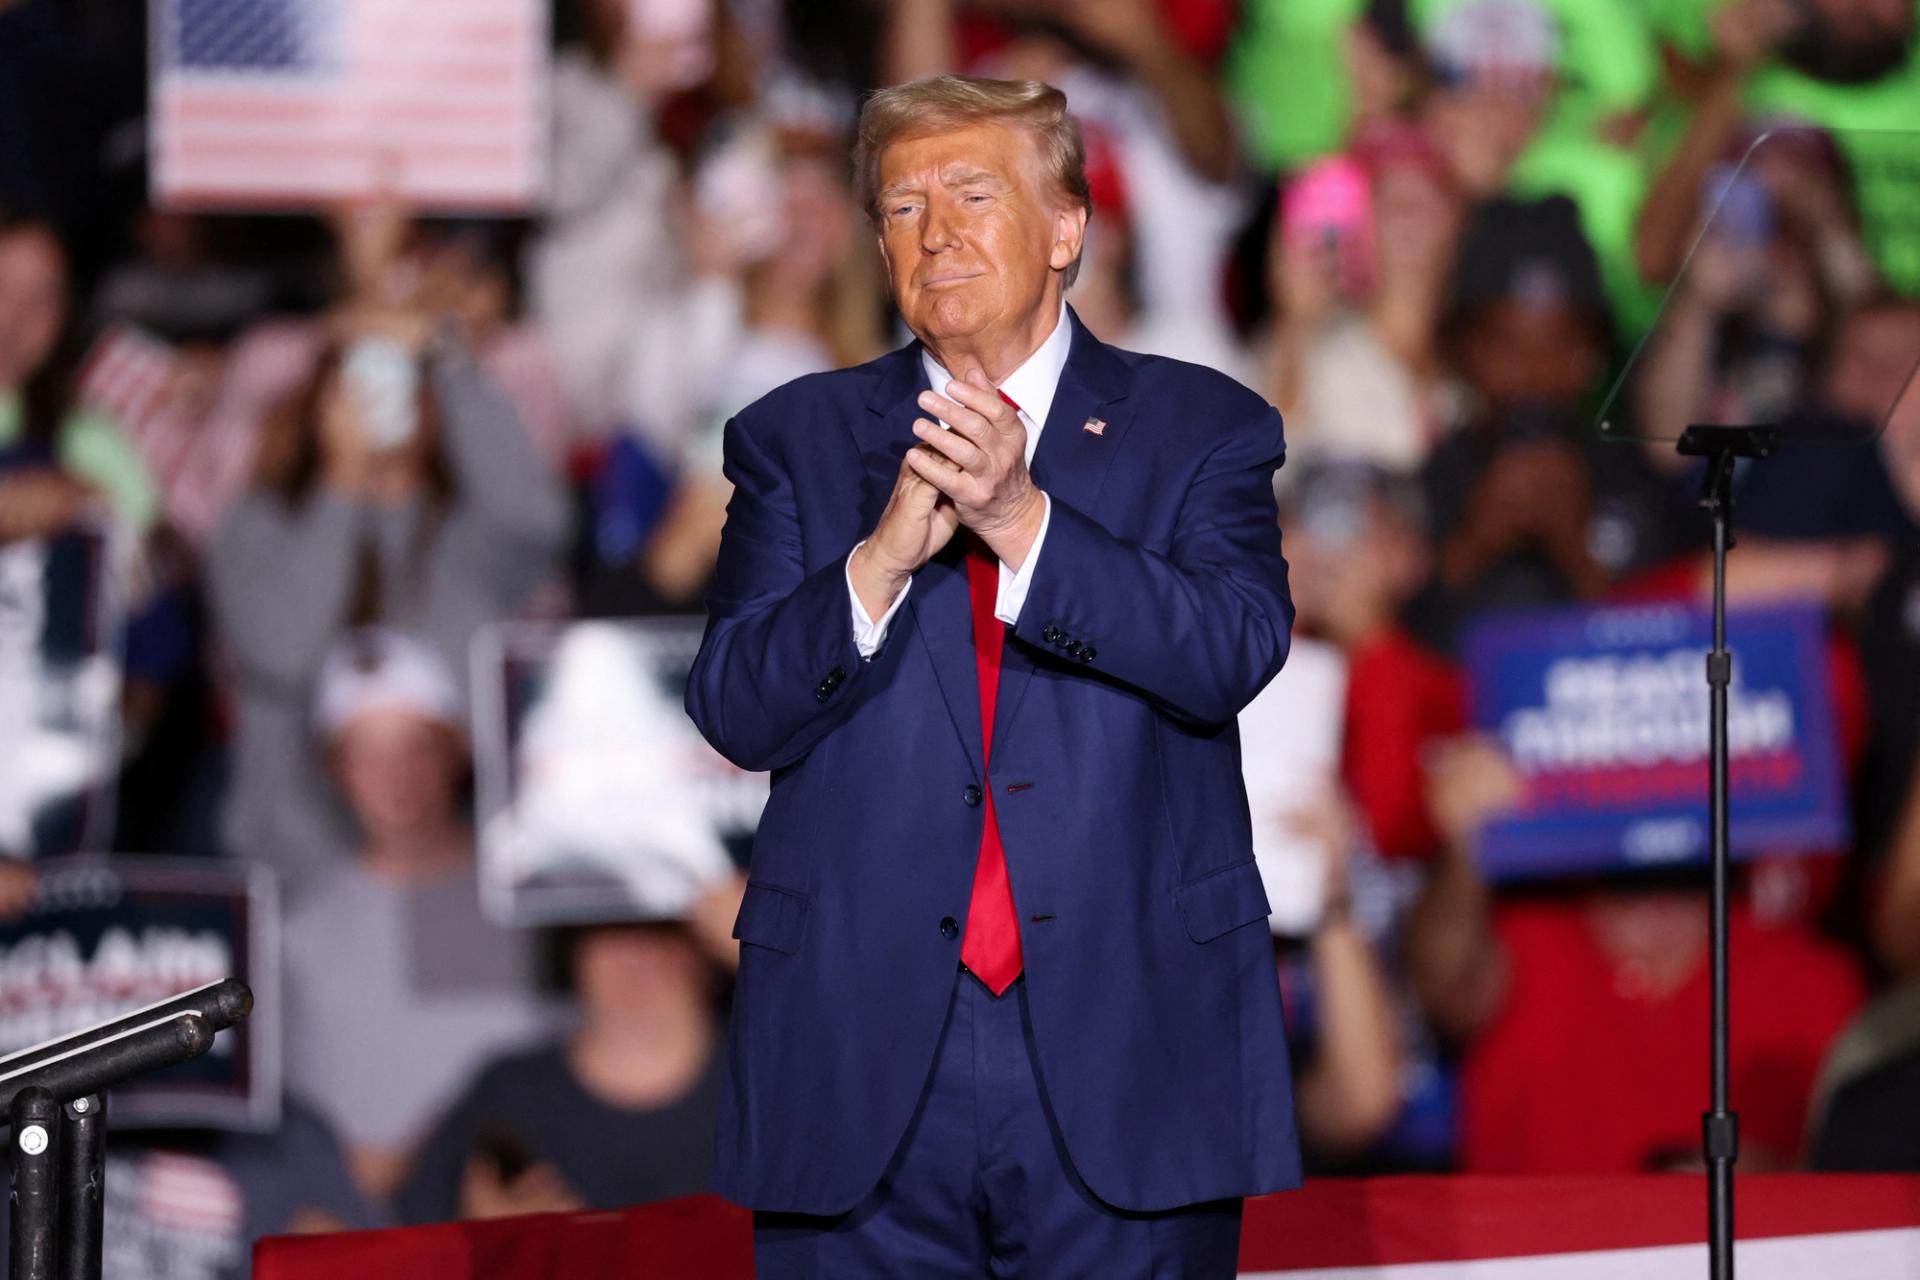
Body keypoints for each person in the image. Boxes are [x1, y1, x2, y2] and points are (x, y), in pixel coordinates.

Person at [686, 75, 1299, 1275]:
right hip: (858, 1060)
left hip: (1129, 1050)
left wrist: (1026, 525)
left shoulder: (1201, 427)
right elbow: (733, 706)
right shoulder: (795, 440)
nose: (937, 232)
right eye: (904, 209)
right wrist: (871, 567)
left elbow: (1232, 648)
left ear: (1067, 227)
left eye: (973, 193)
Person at [281, 628, 555, 1203]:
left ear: (456, 750)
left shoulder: (535, 898)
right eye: (366, 753)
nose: (396, 777)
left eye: (417, 746)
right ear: (332, 769)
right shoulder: (293, 933)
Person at [394, 916, 735, 1224]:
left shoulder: (770, 1092)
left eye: (663, 930)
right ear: (574, 946)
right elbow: (411, 1241)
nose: (637, 953)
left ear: (707, 947)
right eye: (611, 928)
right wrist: (489, 1244)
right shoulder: (510, 1092)